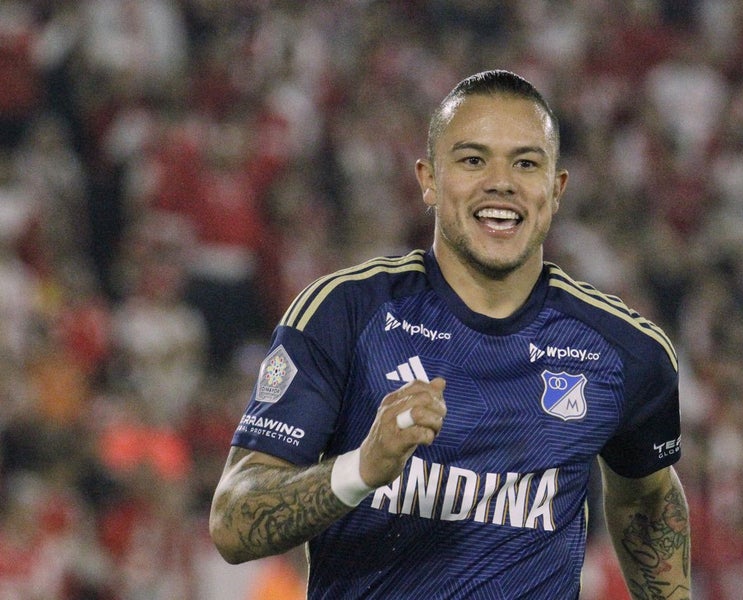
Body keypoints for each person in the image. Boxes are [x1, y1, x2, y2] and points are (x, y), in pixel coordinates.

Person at [209, 69, 691, 599]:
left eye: (526, 163)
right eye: (473, 160)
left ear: (556, 190)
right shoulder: (345, 314)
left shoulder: (625, 351)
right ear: (429, 180)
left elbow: (648, 500)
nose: (501, 182)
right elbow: (233, 522)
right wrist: (361, 468)